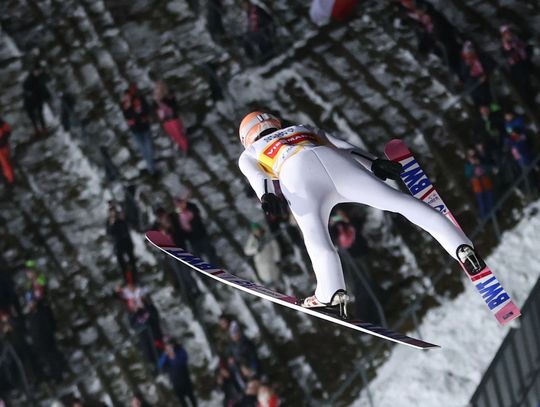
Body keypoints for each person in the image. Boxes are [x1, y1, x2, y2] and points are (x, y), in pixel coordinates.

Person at [237, 111, 484, 314]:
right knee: (399, 202)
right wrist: (375, 162)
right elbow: (344, 147)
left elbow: (257, 175)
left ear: (247, 137)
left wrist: (267, 196)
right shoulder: (303, 127)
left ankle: (331, 292)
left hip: (297, 174)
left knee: (316, 236)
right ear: (275, 122)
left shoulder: (249, 152)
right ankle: (462, 247)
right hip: (334, 161)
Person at [121, 84, 156, 175]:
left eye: (128, 96)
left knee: (148, 148)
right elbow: (127, 116)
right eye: (125, 96)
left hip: (145, 127)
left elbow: (145, 110)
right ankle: (151, 168)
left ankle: (151, 168)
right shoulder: (125, 105)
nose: (127, 98)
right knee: (143, 149)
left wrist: (138, 117)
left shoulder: (139, 100)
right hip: (135, 130)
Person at [152, 81, 188, 155]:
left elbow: (173, 106)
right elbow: (154, 109)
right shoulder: (156, 99)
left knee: (179, 134)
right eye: (156, 88)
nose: (157, 90)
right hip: (165, 120)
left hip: (173, 118)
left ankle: (185, 149)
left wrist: (161, 102)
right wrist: (157, 102)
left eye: (159, 88)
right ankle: (181, 148)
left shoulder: (169, 96)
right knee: (173, 135)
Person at [158, 341, 198, 407]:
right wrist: (164, 355)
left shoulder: (179, 352)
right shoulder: (166, 358)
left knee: (191, 396)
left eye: (170, 347)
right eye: (167, 349)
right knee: (182, 400)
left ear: (173, 347)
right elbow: (160, 365)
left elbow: (184, 359)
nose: (169, 350)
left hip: (185, 380)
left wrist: (174, 357)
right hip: (176, 383)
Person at [106, 202, 137, 283]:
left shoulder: (121, 218)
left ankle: (135, 279)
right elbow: (109, 233)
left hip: (126, 242)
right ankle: (127, 280)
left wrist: (123, 219)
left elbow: (129, 225)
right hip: (118, 244)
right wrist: (111, 224)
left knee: (132, 261)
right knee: (122, 263)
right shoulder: (109, 221)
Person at [464, 147, 495, 220]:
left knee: (490, 200)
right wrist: (472, 165)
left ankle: (493, 215)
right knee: (482, 203)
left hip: (486, 184)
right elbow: (468, 174)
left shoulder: (479, 160)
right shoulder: (468, 165)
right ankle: (485, 218)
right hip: (478, 187)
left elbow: (486, 167)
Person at [22, 62, 50, 136]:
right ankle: (36, 130)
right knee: (32, 115)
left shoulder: (41, 78)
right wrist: (29, 93)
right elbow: (25, 87)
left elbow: (44, 87)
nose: (38, 72)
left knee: (40, 114)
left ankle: (44, 129)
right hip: (30, 101)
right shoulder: (29, 78)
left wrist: (47, 95)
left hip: (38, 99)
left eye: (39, 70)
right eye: (37, 71)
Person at [0, 118, 14, 185]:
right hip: (4, 145)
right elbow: (8, 130)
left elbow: (8, 130)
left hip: (3, 146)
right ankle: (9, 178)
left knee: (6, 163)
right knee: (6, 163)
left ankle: (10, 179)